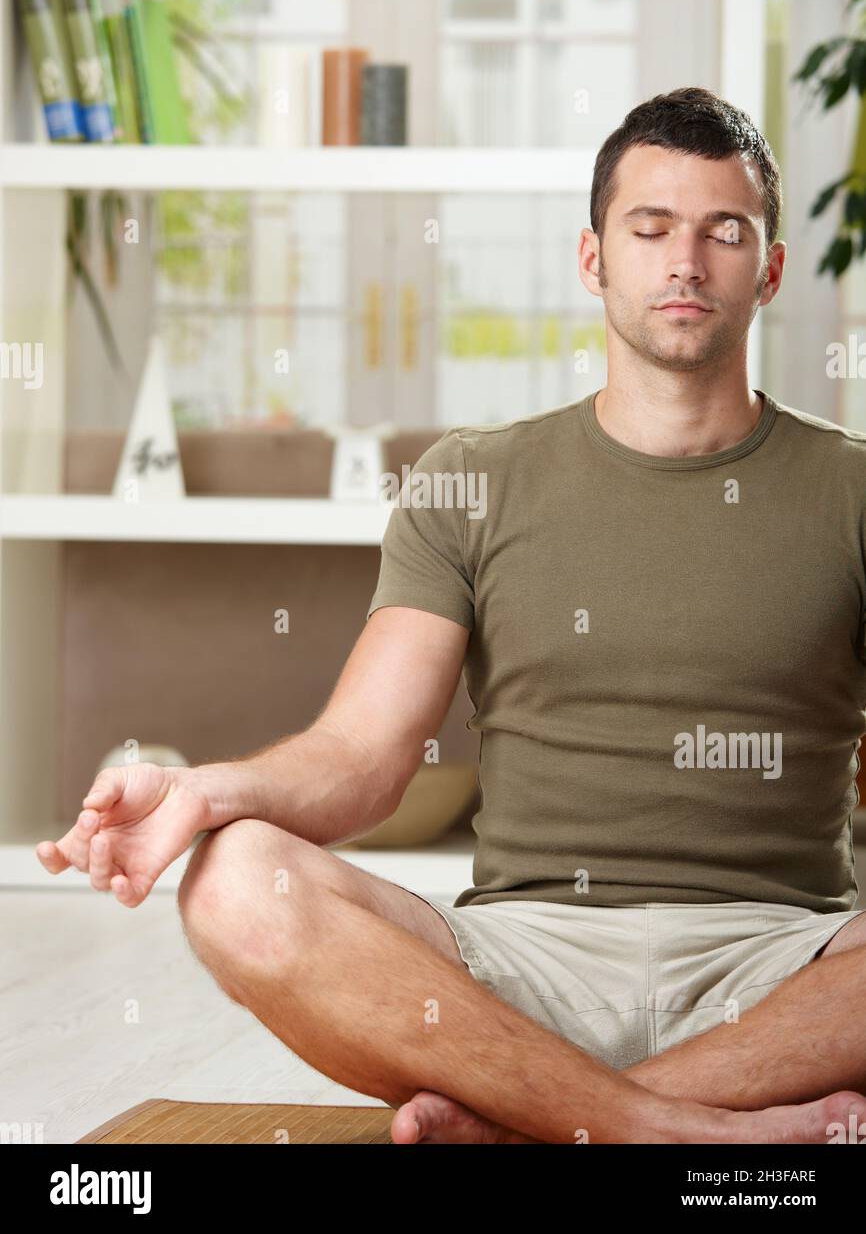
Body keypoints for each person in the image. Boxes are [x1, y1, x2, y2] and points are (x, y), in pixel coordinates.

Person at [36, 88, 866, 1145]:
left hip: (778, 965)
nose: (684, 263)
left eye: (723, 232)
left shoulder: (847, 489)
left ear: (770, 268)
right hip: (514, 970)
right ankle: (668, 1130)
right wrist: (202, 791)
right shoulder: (472, 478)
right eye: (648, 229)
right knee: (234, 882)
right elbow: (361, 758)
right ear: (590, 258)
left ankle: (535, 1120)